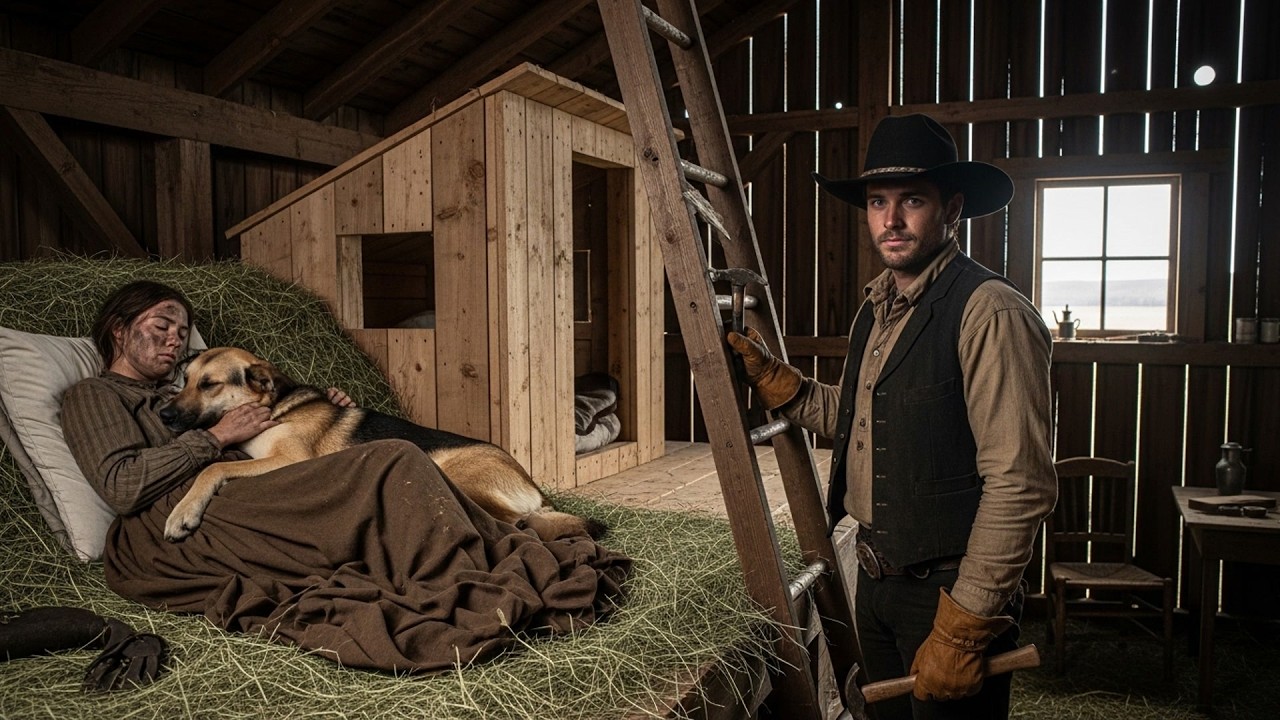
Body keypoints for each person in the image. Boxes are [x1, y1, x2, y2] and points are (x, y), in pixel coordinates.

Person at [60, 280, 630, 673]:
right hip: (161, 529)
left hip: (234, 498)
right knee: (394, 459)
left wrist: (315, 409)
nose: (174, 339)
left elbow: (270, 431)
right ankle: (475, 566)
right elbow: (122, 485)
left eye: (181, 332)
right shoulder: (95, 395)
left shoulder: (178, 393)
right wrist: (216, 439)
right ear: (118, 332)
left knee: (395, 458)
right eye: (160, 326)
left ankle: (480, 551)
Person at [728, 114, 1056, 720]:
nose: (891, 219)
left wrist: (964, 626)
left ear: (952, 207)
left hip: (950, 592)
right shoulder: (879, 308)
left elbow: (1020, 484)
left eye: (912, 200)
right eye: (878, 201)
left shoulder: (990, 312)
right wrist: (784, 384)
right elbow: (864, 419)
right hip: (875, 580)